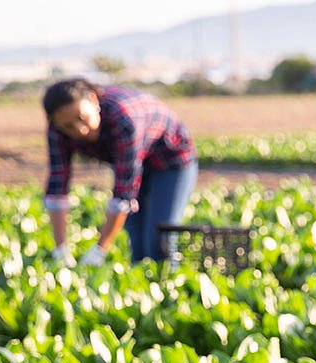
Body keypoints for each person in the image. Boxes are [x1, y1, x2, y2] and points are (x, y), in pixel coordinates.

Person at [41, 78, 198, 265]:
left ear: (93, 100)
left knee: (158, 240)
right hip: (129, 162)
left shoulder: (123, 119)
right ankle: (143, 288)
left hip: (170, 159)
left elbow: (124, 193)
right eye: (68, 126)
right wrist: (61, 249)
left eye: (82, 118)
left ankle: (168, 287)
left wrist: (100, 250)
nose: (79, 130)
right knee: (137, 242)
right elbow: (58, 185)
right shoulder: (57, 131)